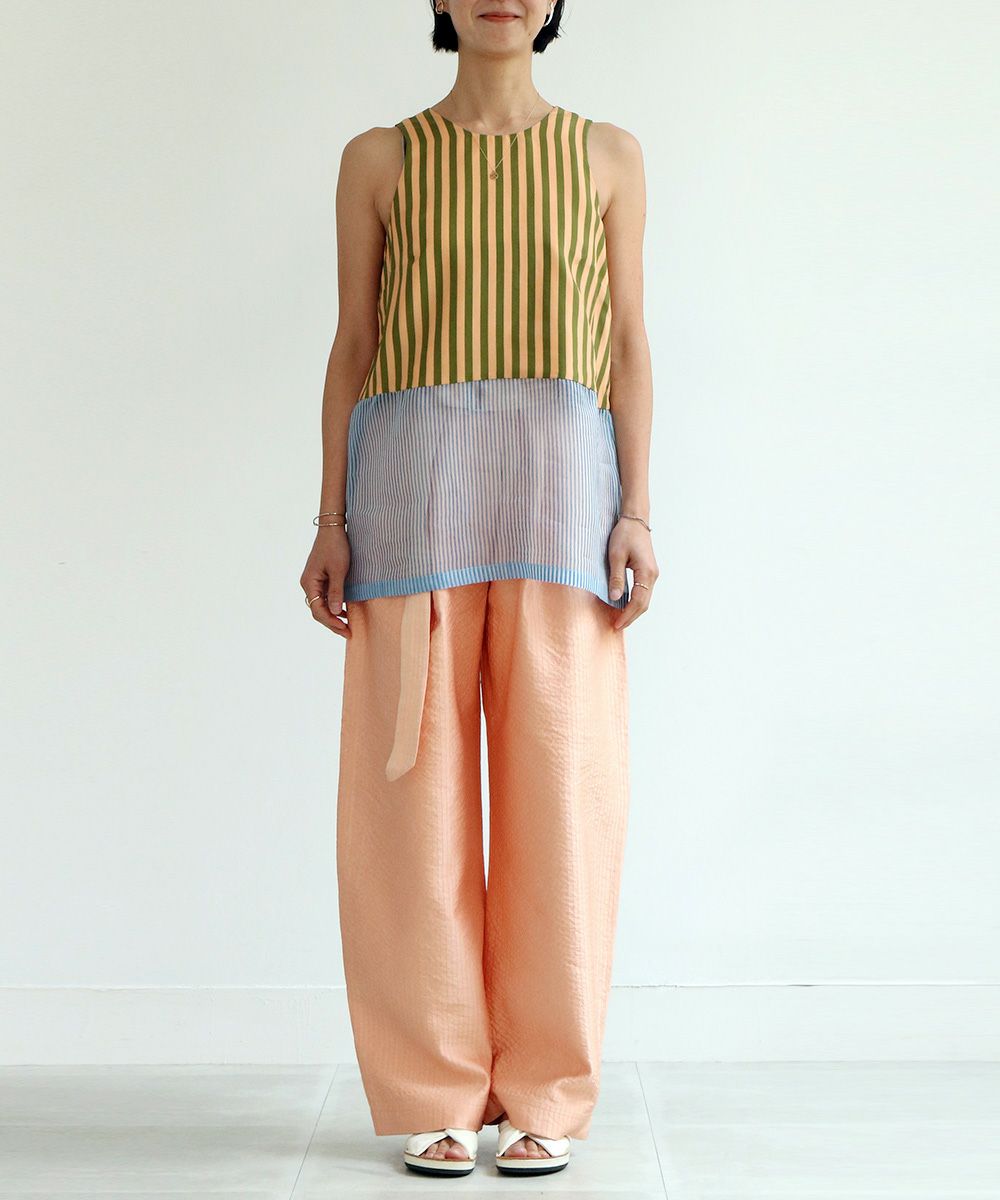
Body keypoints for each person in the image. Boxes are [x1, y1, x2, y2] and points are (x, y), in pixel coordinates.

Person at [300, 0, 656, 1179]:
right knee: (412, 817)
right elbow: (353, 345)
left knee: (563, 808)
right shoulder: (379, 157)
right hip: (413, 515)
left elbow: (629, 346)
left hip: (562, 519)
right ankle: (437, 1089)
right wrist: (330, 521)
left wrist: (637, 512)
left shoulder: (607, 154)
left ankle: (547, 1092)